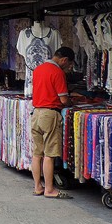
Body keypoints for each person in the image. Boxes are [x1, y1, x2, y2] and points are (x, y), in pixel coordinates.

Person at [30, 46, 77, 199]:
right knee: (49, 154)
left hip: (36, 112)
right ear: (64, 60)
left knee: (37, 153)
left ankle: (38, 186)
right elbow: (63, 99)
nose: (69, 67)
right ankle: (49, 189)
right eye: (69, 64)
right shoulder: (57, 72)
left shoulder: (38, 69)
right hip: (49, 114)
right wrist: (71, 103)